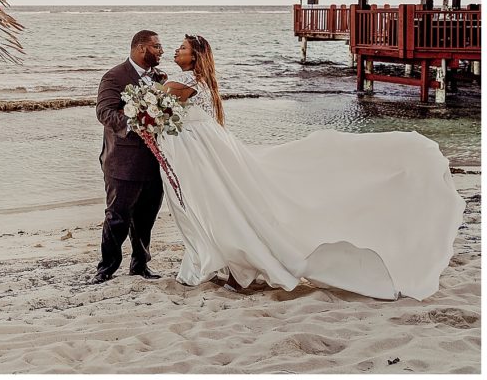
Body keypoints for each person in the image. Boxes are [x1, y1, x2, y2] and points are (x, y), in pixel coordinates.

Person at [156, 34, 464, 300]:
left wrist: (142, 103)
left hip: (206, 154)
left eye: (181, 48)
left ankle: (241, 265)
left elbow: (159, 100)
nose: (175, 51)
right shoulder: (199, 81)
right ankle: (231, 262)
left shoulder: (186, 81)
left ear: (196, 56)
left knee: (227, 207)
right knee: (227, 206)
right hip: (210, 152)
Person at [91, 30, 168, 284]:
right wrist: (136, 121)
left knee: (146, 218)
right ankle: (106, 268)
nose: (161, 51)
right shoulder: (114, 76)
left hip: (153, 161)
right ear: (140, 48)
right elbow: (104, 112)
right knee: (117, 217)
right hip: (122, 162)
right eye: (156, 47)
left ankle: (140, 265)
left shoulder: (160, 77)